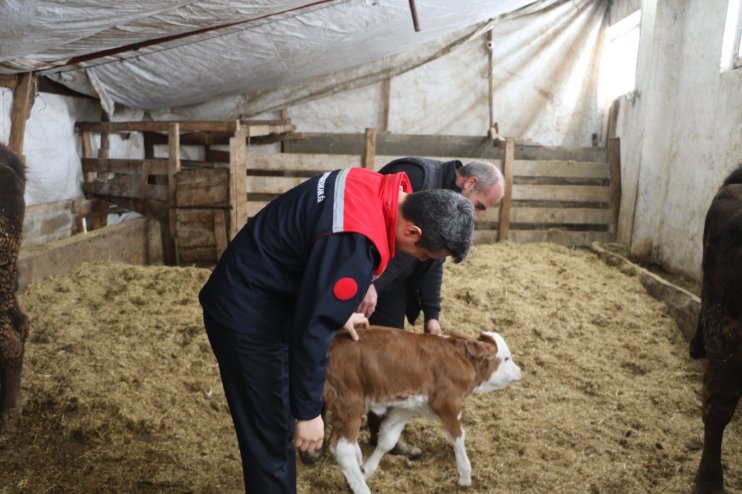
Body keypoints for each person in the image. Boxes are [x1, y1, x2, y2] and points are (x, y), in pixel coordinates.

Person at [199, 166, 475, 494]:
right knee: (272, 437)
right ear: (413, 231)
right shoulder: (357, 244)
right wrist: (308, 413)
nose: (418, 259)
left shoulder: (372, 185)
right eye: (424, 255)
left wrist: (337, 311)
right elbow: (313, 330)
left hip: (263, 283)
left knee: (278, 420)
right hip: (247, 312)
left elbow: (314, 257)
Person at [359, 157, 504, 461]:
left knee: (389, 358)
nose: (476, 216)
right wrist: (367, 280)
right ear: (470, 183)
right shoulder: (417, 175)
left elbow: (434, 264)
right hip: (366, 271)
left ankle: (382, 434)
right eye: (480, 206)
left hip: (394, 285)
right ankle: (312, 423)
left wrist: (432, 315)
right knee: (334, 340)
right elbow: (370, 223)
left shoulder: (451, 211)